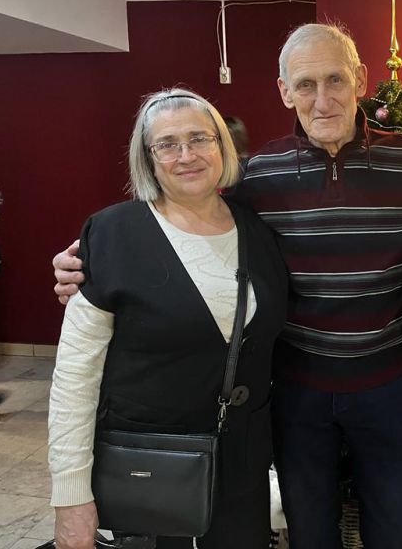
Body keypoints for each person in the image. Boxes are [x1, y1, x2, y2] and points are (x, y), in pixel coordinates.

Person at [52, 25, 402, 549]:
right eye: (305, 84)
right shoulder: (258, 177)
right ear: (284, 91)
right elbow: (195, 230)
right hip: (298, 394)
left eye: (335, 80)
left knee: (395, 533)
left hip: (392, 390)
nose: (322, 99)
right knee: (311, 535)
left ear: (361, 81)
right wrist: (92, 262)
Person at [48, 89, 288, 549]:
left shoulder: (258, 231)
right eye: (167, 144)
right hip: (149, 469)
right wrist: (71, 495)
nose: (186, 155)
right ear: (148, 158)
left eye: (199, 138)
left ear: (222, 145)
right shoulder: (113, 233)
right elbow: (75, 378)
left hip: (242, 468)